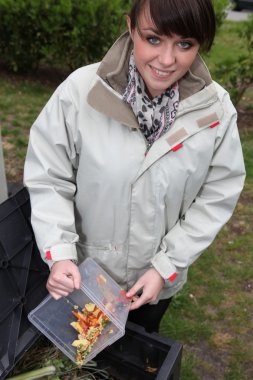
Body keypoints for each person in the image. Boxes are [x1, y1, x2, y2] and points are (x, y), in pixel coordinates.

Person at [24, 0, 245, 333]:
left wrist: (165, 267)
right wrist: (60, 253)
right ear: (130, 28)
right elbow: (49, 176)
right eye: (153, 39)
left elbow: (217, 195)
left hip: (154, 287)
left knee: (138, 351)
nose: (167, 60)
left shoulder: (216, 110)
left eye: (185, 44)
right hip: (83, 277)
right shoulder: (80, 91)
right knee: (82, 349)